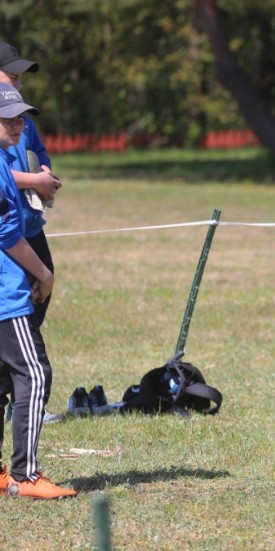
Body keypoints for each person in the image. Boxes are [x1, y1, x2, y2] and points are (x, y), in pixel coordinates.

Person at [0, 83, 75, 499]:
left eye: (21, 117)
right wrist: (44, 274)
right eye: (8, 118)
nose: (18, 124)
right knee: (33, 373)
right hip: (6, 297)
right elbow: (7, 232)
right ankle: (26, 476)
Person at [0, 42, 63, 426]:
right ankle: (22, 388)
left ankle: (18, 388)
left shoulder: (23, 119)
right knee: (14, 318)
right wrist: (35, 180)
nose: (19, 84)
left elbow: (38, 154)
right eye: (13, 75)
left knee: (32, 308)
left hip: (28, 226)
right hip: (10, 235)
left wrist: (46, 176)